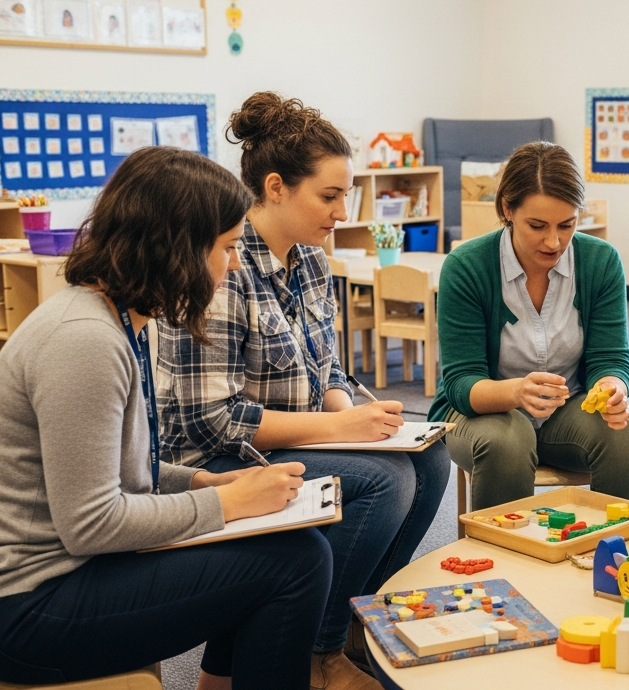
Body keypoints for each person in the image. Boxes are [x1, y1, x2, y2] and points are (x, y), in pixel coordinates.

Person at [0, 147, 329, 690]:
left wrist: (204, 482)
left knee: (279, 548)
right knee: (294, 564)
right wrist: (224, 504)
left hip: (57, 579)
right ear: (177, 249)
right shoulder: (84, 340)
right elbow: (91, 524)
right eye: (226, 248)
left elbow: (123, 467)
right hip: (24, 612)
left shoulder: (123, 318)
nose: (235, 264)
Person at [156, 93, 447, 690]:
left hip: (300, 436)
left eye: (348, 195)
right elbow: (214, 421)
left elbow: (329, 373)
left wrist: (358, 414)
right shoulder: (223, 269)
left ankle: (344, 630)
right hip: (217, 459)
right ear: (276, 187)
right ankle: (318, 654)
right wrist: (341, 430)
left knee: (430, 458)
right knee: (382, 482)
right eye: (331, 195)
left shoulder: (313, 264)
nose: (344, 211)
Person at [432, 141, 629, 510]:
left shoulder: (601, 261)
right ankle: (499, 563)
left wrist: (612, 388)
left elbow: (611, 358)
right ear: (507, 209)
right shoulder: (467, 265)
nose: (554, 241)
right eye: (537, 226)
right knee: (508, 439)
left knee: (625, 432)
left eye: (567, 224)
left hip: (568, 412)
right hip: (481, 414)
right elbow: (460, 384)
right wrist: (515, 393)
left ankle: (616, 560)